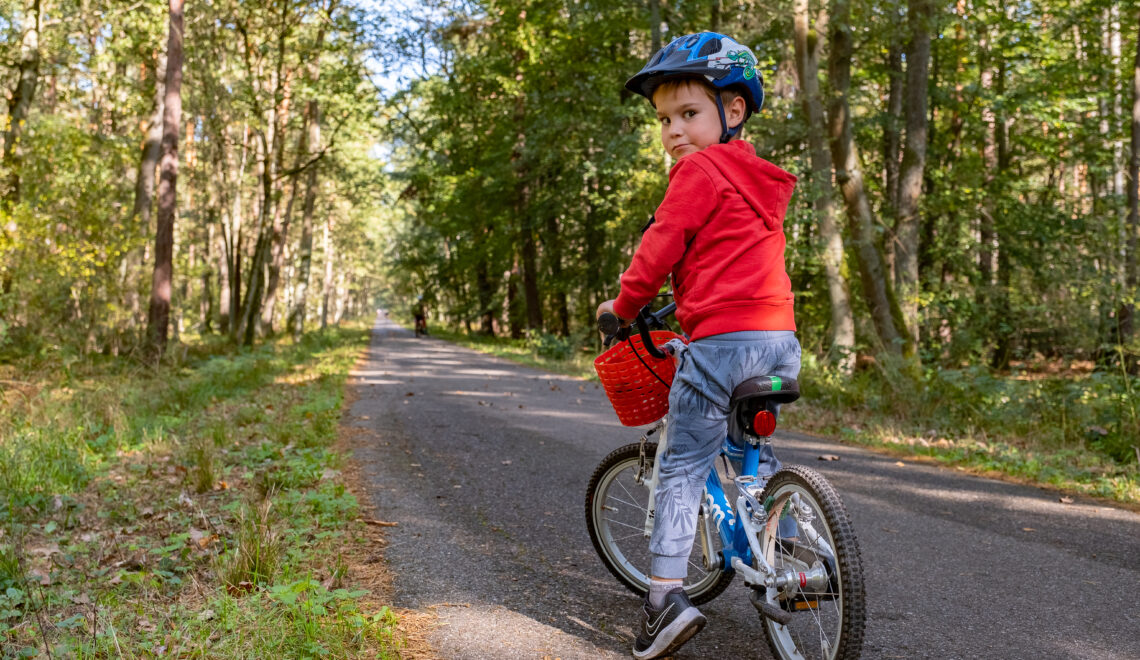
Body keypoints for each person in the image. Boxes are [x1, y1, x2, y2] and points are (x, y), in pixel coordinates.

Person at [595, 32, 801, 660]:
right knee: (751, 458)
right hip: (779, 341)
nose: (674, 132)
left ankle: (663, 601)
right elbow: (725, 258)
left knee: (683, 463)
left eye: (689, 114)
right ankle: (788, 565)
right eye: (664, 119)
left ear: (732, 111)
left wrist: (623, 307)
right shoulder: (756, 177)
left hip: (721, 345)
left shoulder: (698, 171)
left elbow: (663, 243)